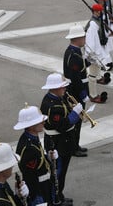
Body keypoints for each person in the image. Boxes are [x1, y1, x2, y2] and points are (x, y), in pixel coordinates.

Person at [40, 73, 82, 205]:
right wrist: (75, 114)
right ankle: (54, 199)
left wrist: (73, 109)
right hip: (57, 143)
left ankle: (59, 195)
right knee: (57, 173)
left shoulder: (58, 98)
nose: (65, 89)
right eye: (62, 87)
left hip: (64, 141)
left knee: (62, 172)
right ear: (55, 88)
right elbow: (62, 125)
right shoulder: (51, 105)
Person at [63, 25, 95, 158]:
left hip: (77, 89)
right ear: (77, 38)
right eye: (83, 36)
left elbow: (79, 68)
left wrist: (88, 62)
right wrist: (82, 93)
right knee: (76, 120)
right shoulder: (74, 54)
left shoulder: (74, 51)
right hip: (76, 91)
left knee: (78, 120)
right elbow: (75, 77)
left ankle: (75, 145)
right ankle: (73, 147)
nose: (85, 38)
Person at [14, 104, 55, 206]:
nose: (43, 122)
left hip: (44, 184)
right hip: (39, 188)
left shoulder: (31, 138)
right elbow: (30, 176)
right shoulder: (29, 148)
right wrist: (36, 197)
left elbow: (39, 159)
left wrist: (48, 157)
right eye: (40, 121)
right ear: (32, 125)